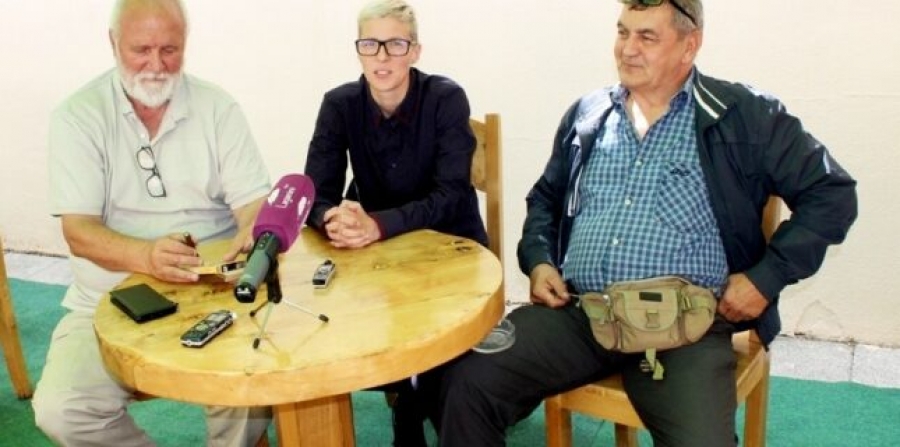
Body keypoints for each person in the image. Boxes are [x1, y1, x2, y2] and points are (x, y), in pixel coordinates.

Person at [423, 1, 858, 446]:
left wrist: (765, 278)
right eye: (623, 32)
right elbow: (546, 198)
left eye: (647, 36)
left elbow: (832, 194)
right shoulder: (588, 114)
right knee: (465, 381)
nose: (627, 49)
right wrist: (539, 260)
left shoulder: (744, 115)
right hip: (581, 312)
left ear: (689, 45)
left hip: (687, 329)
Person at [32, 0, 272, 445]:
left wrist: (251, 231)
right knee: (61, 411)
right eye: (141, 50)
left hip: (211, 293)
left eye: (170, 50)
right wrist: (145, 255)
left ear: (186, 44)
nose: (157, 65)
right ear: (113, 43)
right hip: (107, 302)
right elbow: (78, 231)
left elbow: (255, 204)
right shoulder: (78, 116)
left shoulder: (218, 107)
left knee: (247, 381)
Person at [302, 1, 487, 445]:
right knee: (329, 314)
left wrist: (377, 225)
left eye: (395, 44)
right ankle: (410, 398)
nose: (382, 57)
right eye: (370, 44)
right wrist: (332, 217)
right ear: (358, 50)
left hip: (450, 247)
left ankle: (413, 402)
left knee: (437, 338)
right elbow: (312, 194)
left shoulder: (445, 98)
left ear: (415, 51)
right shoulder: (339, 104)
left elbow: (450, 196)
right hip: (378, 257)